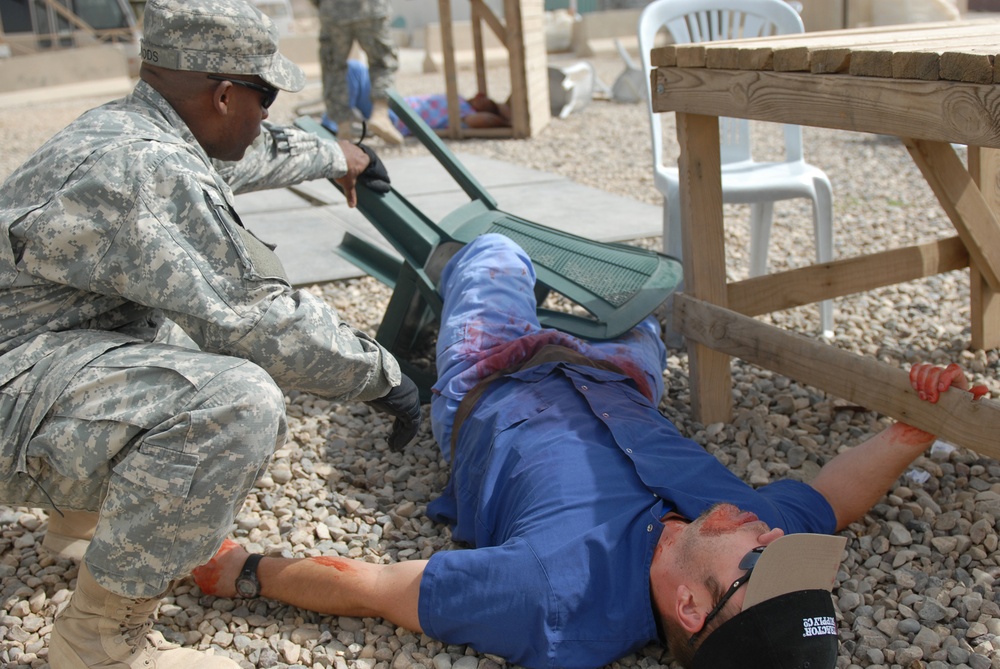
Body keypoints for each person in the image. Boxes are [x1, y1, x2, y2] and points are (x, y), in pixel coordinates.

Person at [193, 234, 990, 669]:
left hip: (489, 381)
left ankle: (460, 279)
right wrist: (909, 431)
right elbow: (836, 497)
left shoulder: (550, 597)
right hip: (620, 382)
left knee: (496, 250)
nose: (776, 535)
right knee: (643, 306)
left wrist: (244, 570)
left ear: (691, 607)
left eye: (764, 560)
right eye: (789, 553)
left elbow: (373, 586)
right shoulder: (744, 530)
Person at [0, 1, 422, 667]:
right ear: (225, 93)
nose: (265, 115)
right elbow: (259, 318)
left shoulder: (128, 128)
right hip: (12, 397)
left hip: (25, 363)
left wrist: (337, 154)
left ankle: (76, 524)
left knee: (169, 327)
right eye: (266, 96)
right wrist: (383, 374)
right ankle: (98, 646)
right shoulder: (147, 168)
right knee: (236, 400)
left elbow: (243, 157)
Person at [319, 60, 512, 138]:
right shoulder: (460, 101)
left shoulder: (464, 114)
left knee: (355, 68)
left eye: (486, 102)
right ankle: (334, 123)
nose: (480, 96)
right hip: (395, 107)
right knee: (353, 71)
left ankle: (332, 125)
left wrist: (506, 120)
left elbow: (485, 121)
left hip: (397, 117)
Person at [314, 0, 405, 145]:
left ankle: (343, 127)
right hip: (371, 7)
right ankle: (380, 113)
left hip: (333, 10)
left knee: (333, 67)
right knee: (382, 62)